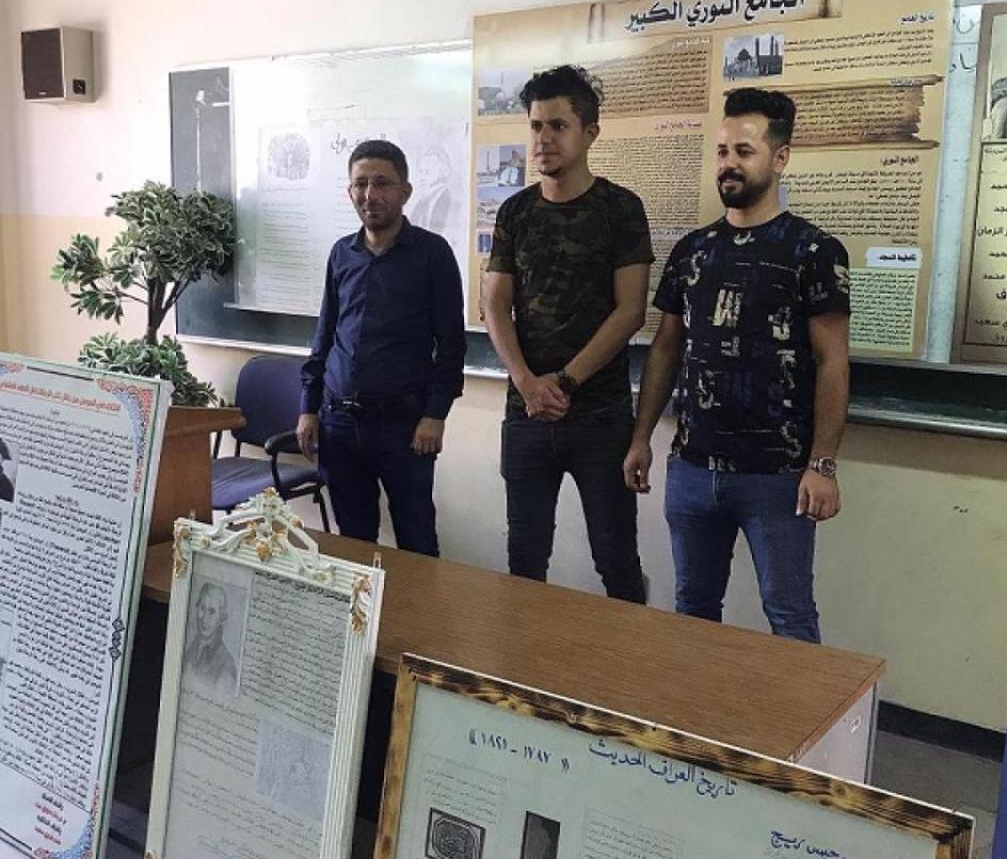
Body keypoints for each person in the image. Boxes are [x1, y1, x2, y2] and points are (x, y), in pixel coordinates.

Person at [624, 88, 850, 642]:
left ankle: (803, 707)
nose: (729, 163)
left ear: (780, 157)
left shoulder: (815, 252)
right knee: (694, 608)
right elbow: (666, 349)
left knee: (789, 616)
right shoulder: (693, 250)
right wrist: (641, 439)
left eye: (744, 151)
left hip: (777, 476)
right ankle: (695, 703)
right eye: (723, 151)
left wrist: (822, 465)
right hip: (693, 468)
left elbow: (832, 361)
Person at [483, 64, 653, 603]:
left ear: (590, 133)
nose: (543, 138)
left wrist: (564, 382)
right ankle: (524, 656)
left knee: (616, 560)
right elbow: (494, 305)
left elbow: (630, 311)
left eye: (558, 126)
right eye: (536, 126)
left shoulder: (620, 209)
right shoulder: (515, 212)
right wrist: (527, 382)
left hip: (599, 415)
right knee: (525, 558)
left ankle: (627, 653)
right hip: (527, 413)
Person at [297, 139, 466, 556]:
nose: (370, 195)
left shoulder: (432, 254)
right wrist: (308, 408)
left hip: (405, 427)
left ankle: (417, 605)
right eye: (360, 184)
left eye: (382, 183)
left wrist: (435, 415)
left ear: (405, 192)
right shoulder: (342, 253)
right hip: (339, 423)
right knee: (352, 544)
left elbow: (451, 344)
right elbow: (325, 334)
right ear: (349, 191)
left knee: (416, 541)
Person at [185, 582, 239, 696]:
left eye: (212, 611)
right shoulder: (190, 647)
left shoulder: (226, 665)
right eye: (202, 608)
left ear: (221, 618)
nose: (204, 618)